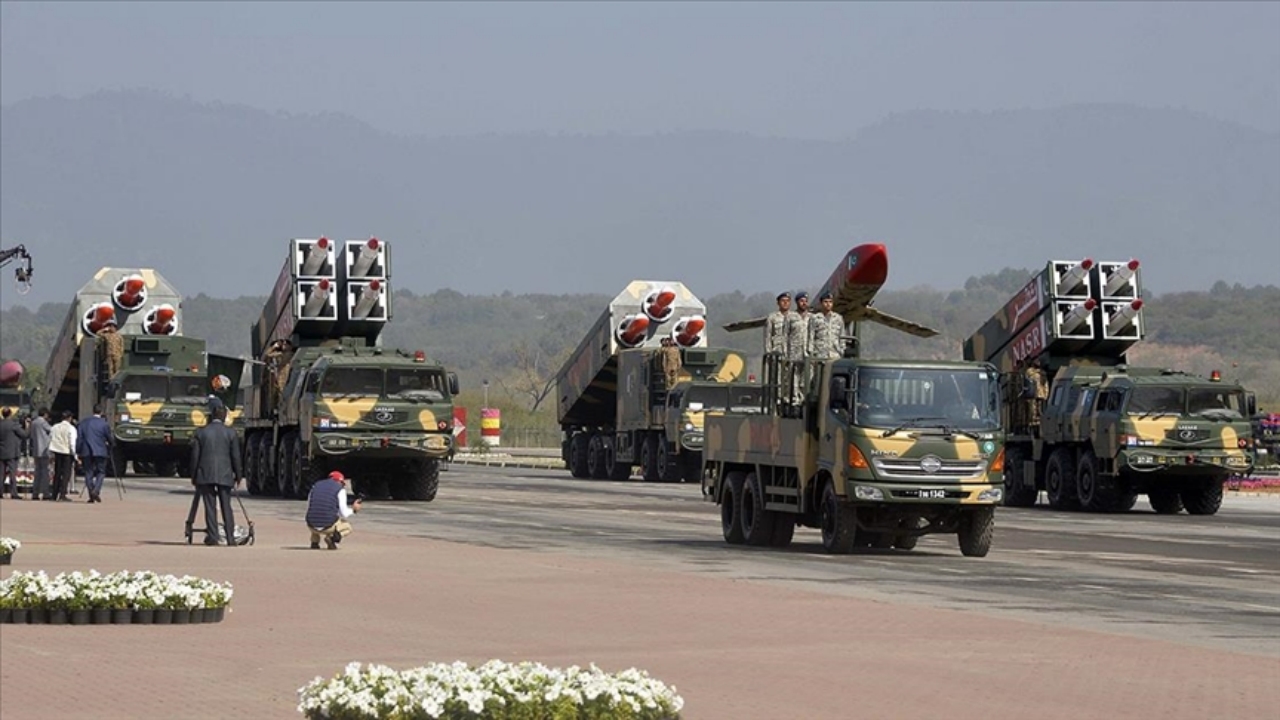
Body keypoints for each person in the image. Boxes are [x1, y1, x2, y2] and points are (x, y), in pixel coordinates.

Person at [190, 399, 242, 546]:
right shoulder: (231, 433)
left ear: (212, 416)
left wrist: (193, 475)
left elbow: (195, 457)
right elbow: (235, 456)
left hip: (205, 473)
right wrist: (238, 475)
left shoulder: (201, 432)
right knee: (226, 505)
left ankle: (213, 536)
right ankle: (230, 537)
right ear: (225, 416)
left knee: (210, 506)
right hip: (225, 473)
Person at [305, 470, 362, 550]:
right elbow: (344, 513)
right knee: (347, 527)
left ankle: (314, 542)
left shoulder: (316, 486)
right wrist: (354, 510)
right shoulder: (340, 490)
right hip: (327, 526)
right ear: (340, 481)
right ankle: (332, 539)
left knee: (317, 512)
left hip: (311, 525)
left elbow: (310, 505)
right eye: (342, 484)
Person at [75, 403, 113, 503]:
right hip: (100, 450)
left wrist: (78, 450)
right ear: (101, 412)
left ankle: (91, 492)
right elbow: (109, 437)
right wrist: (112, 445)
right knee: (101, 472)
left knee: (88, 472)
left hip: (86, 450)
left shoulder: (83, 423)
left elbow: (79, 438)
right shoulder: (104, 424)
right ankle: (96, 490)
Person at [48, 410, 79, 501]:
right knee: (66, 474)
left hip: (57, 451)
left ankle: (54, 494)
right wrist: (75, 455)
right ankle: (62, 494)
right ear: (69, 418)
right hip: (67, 452)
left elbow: (50, 438)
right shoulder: (71, 428)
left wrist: (50, 452)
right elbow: (72, 443)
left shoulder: (54, 427)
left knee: (57, 473)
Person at [0, 407, 29, 499]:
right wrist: (28, 426)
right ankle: (13, 493)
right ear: (10, 414)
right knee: (12, 473)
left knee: (1, 474)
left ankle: (0, 492)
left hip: (1, 451)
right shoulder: (13, 425)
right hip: (12, 452)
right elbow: (24, 435)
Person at [808, 292, 845, 361]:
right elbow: (811, 336)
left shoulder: (838, 318)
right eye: (825, 302)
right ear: (821, 303)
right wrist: (811, 353)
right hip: (819, 355)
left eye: (830, 302)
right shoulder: (815, 318)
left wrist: (842, 350)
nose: (828, 304)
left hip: (835, 354)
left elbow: (842, 336)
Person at [29, 407, 54, 500]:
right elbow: (51, 430)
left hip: (36, 449)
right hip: (44, 449)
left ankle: (35, 493)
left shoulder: (34, 422)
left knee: (37, 472)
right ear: (45, 414)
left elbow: (31, 435)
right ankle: (45, 492)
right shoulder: (43, 422)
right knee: (44, 472)